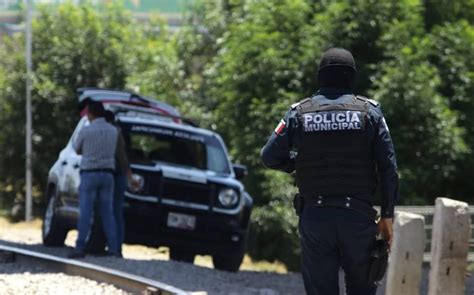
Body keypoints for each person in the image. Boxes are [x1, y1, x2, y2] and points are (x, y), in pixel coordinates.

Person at [261, 47, 399, 295]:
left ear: (320, 76)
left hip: (315, 219)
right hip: (358, 221)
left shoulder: (298, 113)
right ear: (351, 76)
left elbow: (268, 156)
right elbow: (389, 167)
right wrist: (388, 215)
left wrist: (297, 165)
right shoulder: (370, 112)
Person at [69, 101, 120, 258]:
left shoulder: (86, 130)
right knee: (107, 213)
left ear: (90, 113)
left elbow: (77, 150)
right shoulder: (114, 131)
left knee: (85, 211)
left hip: (89, 173)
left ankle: (80, 247)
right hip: (108, 175)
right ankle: (114, 248)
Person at [105, 110, 136, 256]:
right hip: (117, 174)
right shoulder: (117, 131)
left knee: (112, 211)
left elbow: (121, 156)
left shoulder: (113, 132)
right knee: (116, 212)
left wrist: (127, 174)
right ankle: (116, 247)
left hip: (115, 174)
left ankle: (114, 247)